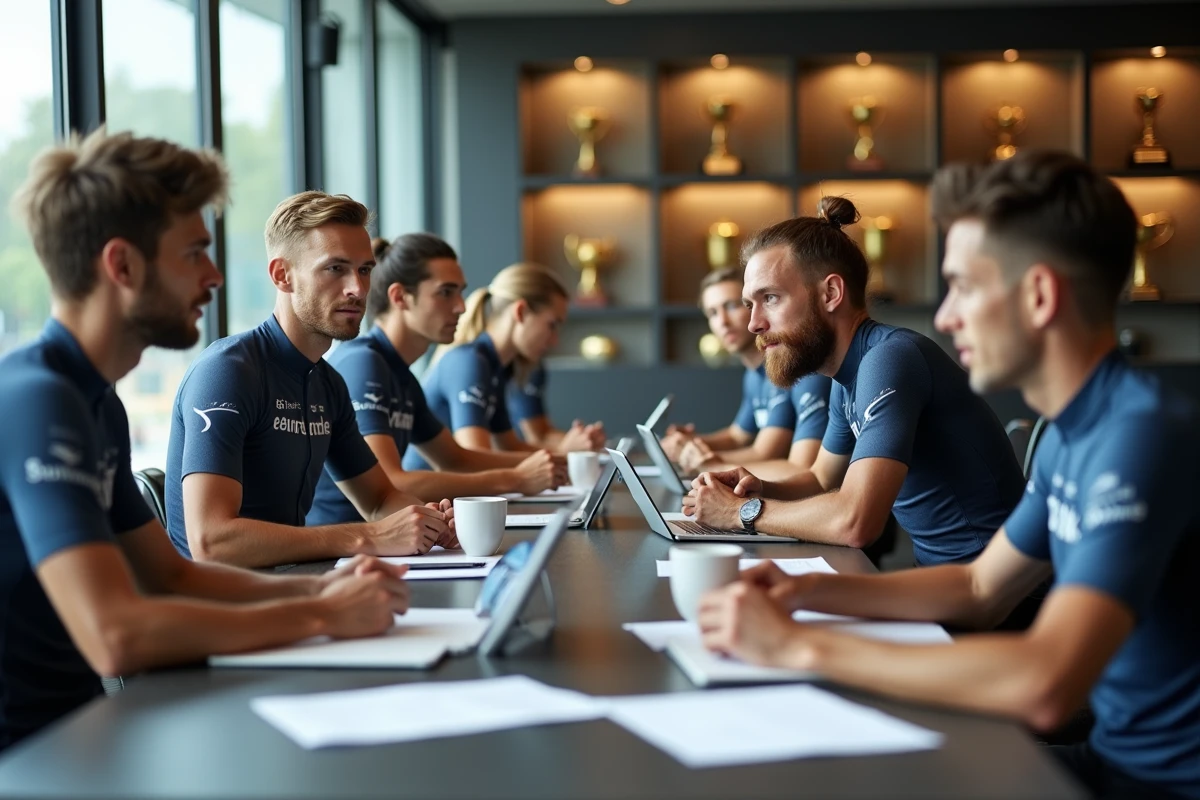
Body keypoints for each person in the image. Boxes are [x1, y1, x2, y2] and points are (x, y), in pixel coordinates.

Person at [697, 151, 1199, 800]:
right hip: (1108, 760)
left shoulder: (1140, 436)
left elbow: (1046, 685)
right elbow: (978, 584)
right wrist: (803, 598)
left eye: (963, 286)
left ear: (1040, 295)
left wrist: (798, 647)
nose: (945, 316)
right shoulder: (1077, 434)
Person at [0, 129, 409, 751]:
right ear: (123, 265)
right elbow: (115, 633)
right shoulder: (38, 397)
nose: (215, 276)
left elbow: (172, 574)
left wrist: (324, 587)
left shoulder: (96, 401)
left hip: (82, 734)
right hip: (32, 755)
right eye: (195, 253)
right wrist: (322, 614)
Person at [683, 198, 1025, 574]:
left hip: (995, 597)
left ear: (831, 294)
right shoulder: (846, 376)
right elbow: (819, 478)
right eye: (750, 304)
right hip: (943, 580)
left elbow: (856, 522)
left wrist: (740, 513)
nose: (754, 324)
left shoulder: (890, 358)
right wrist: (758, 486)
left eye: (770, 298)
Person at [165, 192, 456, 568]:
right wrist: (369, 536)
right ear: (282, 275)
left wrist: (428, 521)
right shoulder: (228, 371)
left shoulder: (328, 383)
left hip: (290, 586)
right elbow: (212, 542)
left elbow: (380, 499)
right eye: (335, 268)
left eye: (365, 270)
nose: (357, 289)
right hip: (219, 608)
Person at [307, 234, 568, 525]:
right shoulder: (363, 363)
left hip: (386, 540)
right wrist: (516, 478)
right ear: (400, 297)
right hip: (341, 553)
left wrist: (556, 464)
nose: (461, 307)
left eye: (460, 292)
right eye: (446, 292)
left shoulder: (401, 374)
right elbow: (394, 481)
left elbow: (457, 459)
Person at [404, 263, 586, 470]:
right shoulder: (470, 362)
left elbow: (508, 447)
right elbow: (474, 459)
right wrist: (562, 455)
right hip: (428, 500)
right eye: (552, 325)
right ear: (520, 311)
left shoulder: (495, 367)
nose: (555, 340)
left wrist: (564, 457)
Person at [663, 268, 831, 476]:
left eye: (732, 306)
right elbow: (737, 435)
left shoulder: (794, 370)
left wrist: (704, 461)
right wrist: (692, 443)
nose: (722, 322)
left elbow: (766, 452)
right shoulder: (753, 375)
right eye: (713, 313)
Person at [507, 364, 606, 452]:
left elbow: (544, 432)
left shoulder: (534, 367)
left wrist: (583, 438)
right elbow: (531, 439)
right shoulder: (497, 366)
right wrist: (563, 450)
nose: (554, 343)